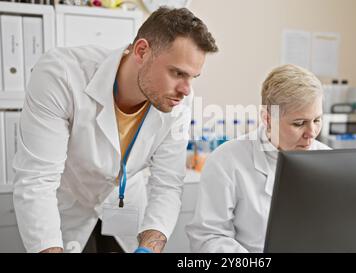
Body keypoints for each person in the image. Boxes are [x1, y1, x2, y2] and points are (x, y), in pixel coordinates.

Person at [13, 7, 218, 253]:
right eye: (177, 73)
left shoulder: (176, 102)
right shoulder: (61, 76)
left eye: (193, 77)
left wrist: (150, 248)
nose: (186, 89)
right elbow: (37, 180)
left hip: (126, 209)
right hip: (64, 210)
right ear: (142, 51)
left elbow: (167, 185)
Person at [185, 64, 331, 253]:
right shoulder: (227, 161)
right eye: (299, 123)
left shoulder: (328, 159)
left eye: (317, 120)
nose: (311, 133)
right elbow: (208, 238)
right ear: (268, 119)